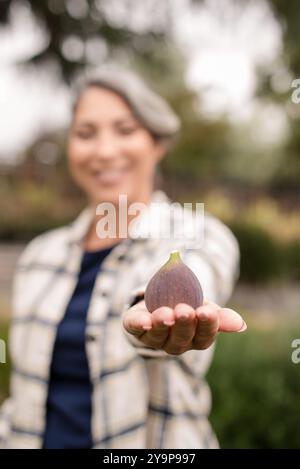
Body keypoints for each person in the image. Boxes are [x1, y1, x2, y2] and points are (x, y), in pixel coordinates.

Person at [0, 65, 246, 449]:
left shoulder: (200, 233)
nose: (104, 151)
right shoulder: (38, 256)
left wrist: (151, 314)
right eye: (85, 134)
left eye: (125, 130)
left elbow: (197, 272)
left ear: (157, 142)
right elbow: (25, 394)